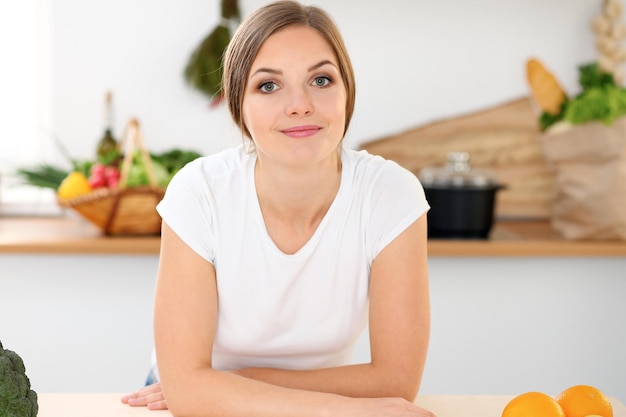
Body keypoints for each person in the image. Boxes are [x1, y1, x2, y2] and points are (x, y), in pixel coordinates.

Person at [121, 1, 434, 416]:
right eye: (268, 86)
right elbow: (185, 392)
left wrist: (236, 381)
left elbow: (395, 382)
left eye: (321, 80)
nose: (300, 104)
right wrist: (349, 409)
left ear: (347, 93)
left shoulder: (391, 195)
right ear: (239, 106)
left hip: (272, 399)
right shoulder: (199, 192)